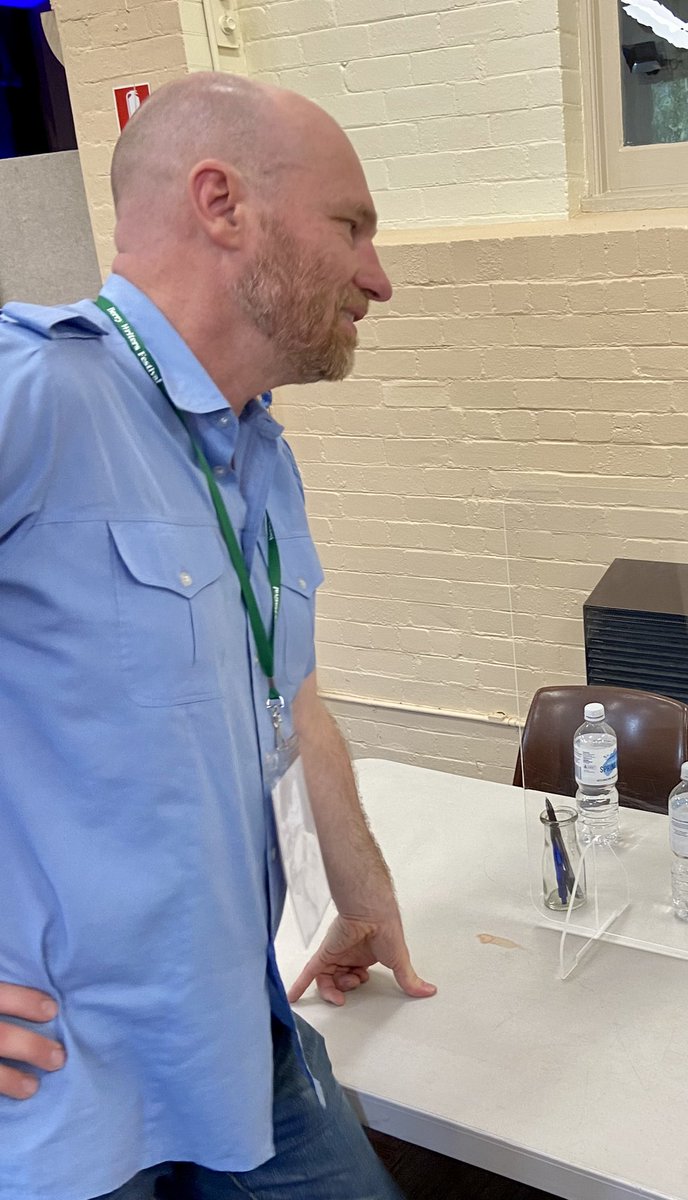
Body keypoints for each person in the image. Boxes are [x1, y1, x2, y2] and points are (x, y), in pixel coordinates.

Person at [0, 73, 435, 1200]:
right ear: (222, 203)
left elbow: (293, 705)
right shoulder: (37, 396)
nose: (377, 278)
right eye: (353, 226)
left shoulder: (257, 455)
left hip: (242, 1044)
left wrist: (366, 898)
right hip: (68, 1104)